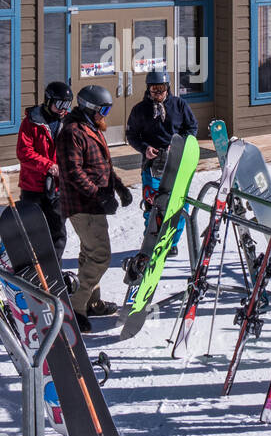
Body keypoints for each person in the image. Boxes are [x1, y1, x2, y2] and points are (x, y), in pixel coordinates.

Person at [57, 84, 132, 331]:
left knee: (89, 254)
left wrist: (119, 187)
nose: (106, 114)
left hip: (93, 203)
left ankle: (91, 302)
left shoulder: (91, 128)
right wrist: (99, 195)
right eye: (104, 109)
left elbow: (103, 165)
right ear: (90, 108)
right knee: (100, 256)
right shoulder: (73, 132)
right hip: (83, 205)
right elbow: (72, 173)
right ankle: (74, 308)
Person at [125, 70, 198, 252]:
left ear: (168, 88)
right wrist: (144, 148)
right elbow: (132, 135)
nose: (158, 93)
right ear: (148, 89)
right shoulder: (140, 110)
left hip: (176, 162)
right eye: (154, 89)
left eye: (161, 88)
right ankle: (151, 240)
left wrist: (179, 144)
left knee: (179, 205)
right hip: (152, 164)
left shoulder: (179, 105)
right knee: (153, 205)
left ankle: (172, 242)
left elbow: (192, 127)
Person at [16, 80, 72, 261]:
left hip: (58, 188)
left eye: (67, 105)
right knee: (32, 230)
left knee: (58, 231)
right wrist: (49, 166)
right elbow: (24, 152)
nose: (64, 109)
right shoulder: (31, 122)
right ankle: (31, 266)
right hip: (33, 187)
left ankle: (53, 267)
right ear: (48, 101)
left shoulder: (69, 122)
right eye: (60, 104)